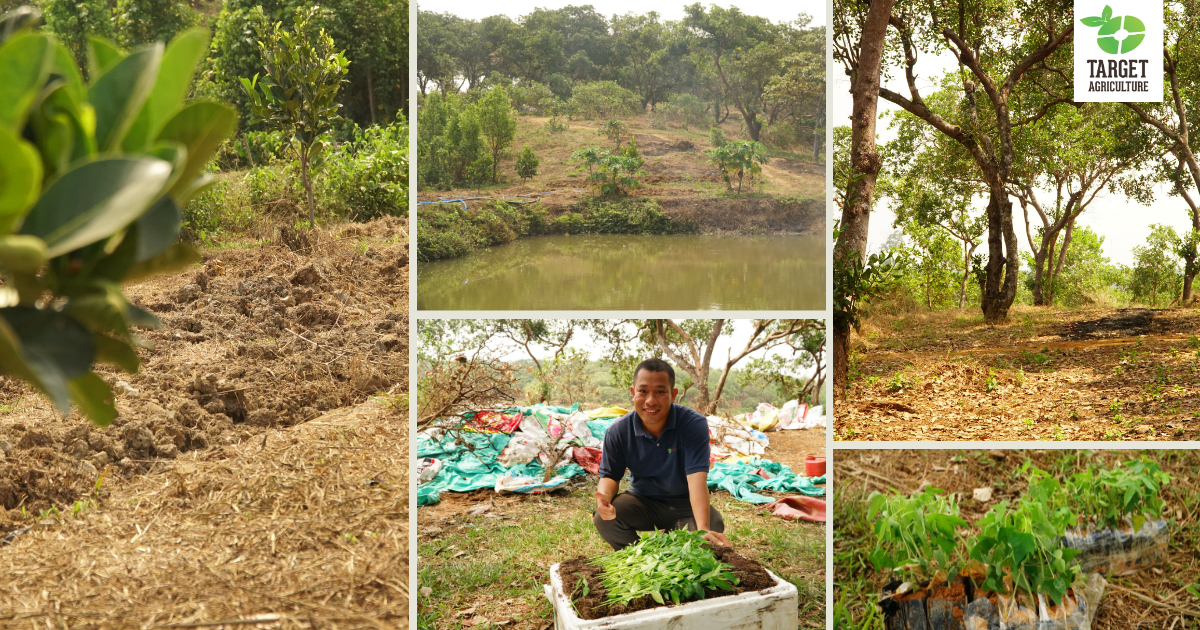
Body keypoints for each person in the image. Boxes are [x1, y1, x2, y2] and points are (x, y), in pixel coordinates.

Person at [592, 358, 730, 550]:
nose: (650, 400)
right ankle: (637, 557)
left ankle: (675, 539)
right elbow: (610, 477)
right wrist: (604, 498)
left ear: (673, 395)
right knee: (604, 519)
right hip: (642, 501)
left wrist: (703, 529)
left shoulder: (693, 425)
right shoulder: (618, 431)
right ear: (633, 393)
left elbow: (696, 481)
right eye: (643, 391)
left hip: (685, 503)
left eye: (660, 392)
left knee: (711, 531)